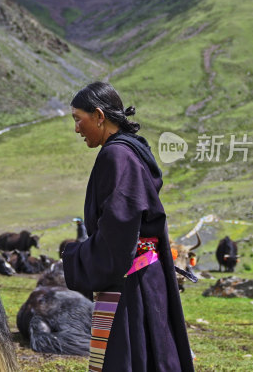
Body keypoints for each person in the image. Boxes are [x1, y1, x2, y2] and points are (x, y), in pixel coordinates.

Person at [61, 82, 194, 371]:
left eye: (77, 119)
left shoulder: (116, 155)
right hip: (146, 275)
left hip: (130, 282)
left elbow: (119, 229)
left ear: (98, 115)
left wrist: (75, 257)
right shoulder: (133, 151)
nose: (76, 129)